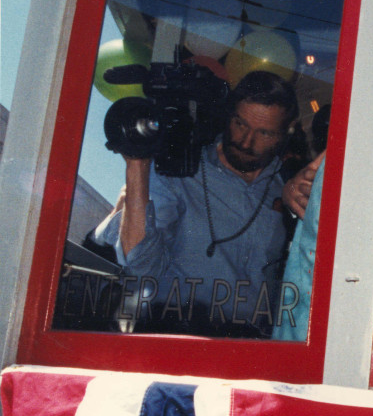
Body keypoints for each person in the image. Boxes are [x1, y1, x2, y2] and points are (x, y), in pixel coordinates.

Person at [93, 70, 299, 337]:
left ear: (285, 134)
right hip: (177, 340)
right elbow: (140, 264)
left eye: (265, 134)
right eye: (240, 124)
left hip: (253, 350)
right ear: (229, 116)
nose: (246, 142)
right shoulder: (180, 172)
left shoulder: (287, 186)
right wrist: (137, 164)